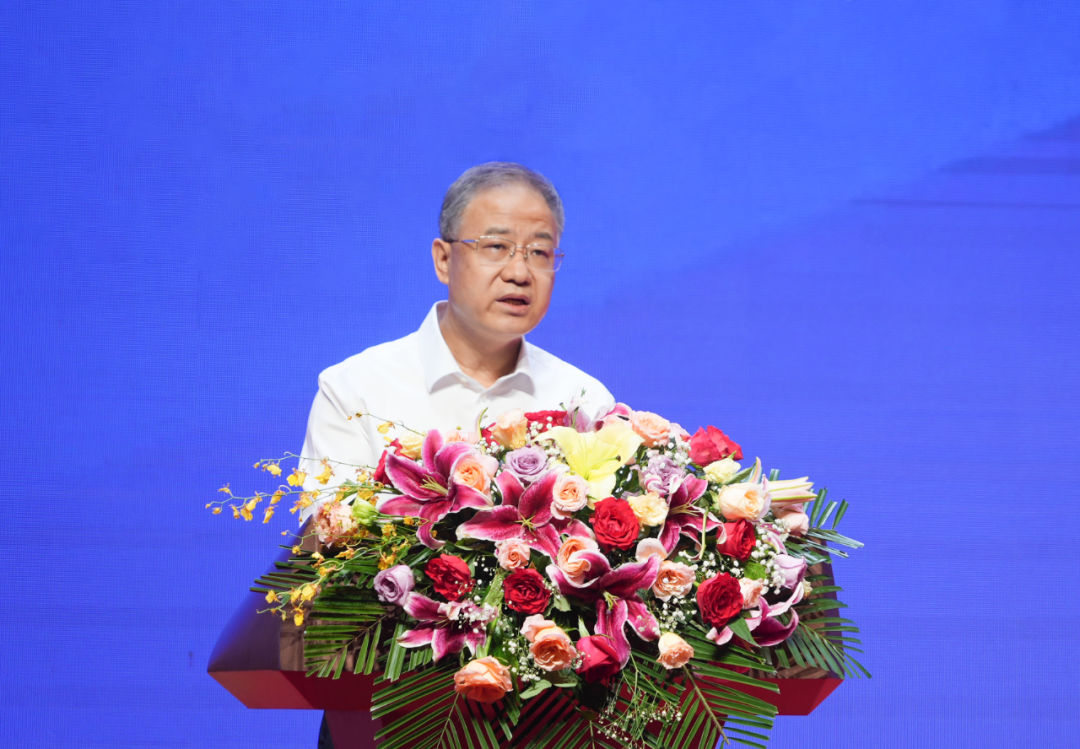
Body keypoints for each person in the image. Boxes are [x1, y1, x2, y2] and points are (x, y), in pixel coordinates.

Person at [298, 162, 614, 748]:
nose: (519, 270)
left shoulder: (582, 398)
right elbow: (330, 550)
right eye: (496, 246)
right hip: (392, 709)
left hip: (547, 721)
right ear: (443, 259)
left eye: (540, 252)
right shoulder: (357, 390)